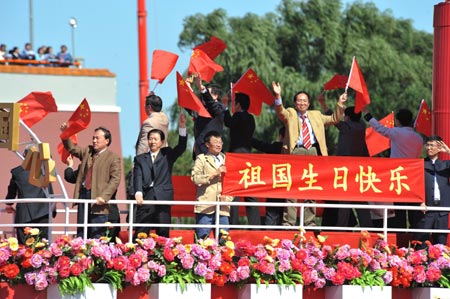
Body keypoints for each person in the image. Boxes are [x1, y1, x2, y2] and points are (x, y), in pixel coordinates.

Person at [272, 81, 346, 226]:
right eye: (299, 101)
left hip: (313, 152)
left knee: (311, 188)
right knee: (291, 187)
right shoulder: (291, 113)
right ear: (294, 103)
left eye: (304, 101)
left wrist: (340, 104)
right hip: (295, 151)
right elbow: (280, 112)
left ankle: (309, 222)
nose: (302, 103)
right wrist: (278, 95)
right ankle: (289, 223)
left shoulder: (316, 115)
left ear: (309, 103)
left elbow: (334, 119)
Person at [363, 108, 423, 228]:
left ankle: (400, 233)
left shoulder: (397, 133)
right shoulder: (418, 138)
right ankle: (414, 234)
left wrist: (368, 115)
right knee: (412, 208)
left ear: (398, 121)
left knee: (398, 207)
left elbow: (380, 128)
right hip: (412, 175)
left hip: (397, 175)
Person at [60, 124, 121, 239]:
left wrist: (104, 197)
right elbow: (72, 148)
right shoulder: (87, 152)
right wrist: (65, 134)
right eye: (93, 138)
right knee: (82, 231)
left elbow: (115, 179)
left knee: (97, 232)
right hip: (83, 195)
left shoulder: (113, 158)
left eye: (97, 138)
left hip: (99, 199)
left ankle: (95, 255)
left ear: (107, 141)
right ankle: (82, 255)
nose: (94, 140)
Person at [133, 113, 187, 238]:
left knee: (163, 231)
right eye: (150, 138)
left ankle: (162, 256)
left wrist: (182, 127)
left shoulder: (167, 154)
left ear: (162, 141)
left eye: (155, 139)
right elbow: (138, 177)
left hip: (163, 197)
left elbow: (181, 147)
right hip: (146, 197)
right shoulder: (140, 159)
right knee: (142, 231)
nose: (152, 141)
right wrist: (138, 192)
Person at [324, 106, 373, 228]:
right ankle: (367, 227)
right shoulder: (362, 126)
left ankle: (342, 227)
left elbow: (334, 119)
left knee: (344, 201)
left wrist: (323, 104)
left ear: (348, 117)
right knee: (361, 201)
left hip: (346, 169)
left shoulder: (346, 127)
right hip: (359, 168)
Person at [5, 146, 55, 244]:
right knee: (42, 248)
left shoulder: (17, 172)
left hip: (24, 216)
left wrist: (9, 204)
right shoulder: (45, 170)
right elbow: (50, 190)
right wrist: (53, 210)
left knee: (24, 250)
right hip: (43, 214)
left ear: (24, 155)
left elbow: (11, 193)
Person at [224, 92, 260, 227]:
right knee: (250, 192)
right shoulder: (251, 118)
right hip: (248, 157)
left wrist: (224, 106)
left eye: (235, 103)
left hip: (236, 157)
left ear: (238, 104)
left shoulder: (238, 116)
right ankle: (255, 226)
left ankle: (232, 225)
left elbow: (228, 122)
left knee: (234, 192)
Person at [64, 155, 121, 240]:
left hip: (107, 211)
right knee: (86, 239)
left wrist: (103, 197)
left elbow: (115, 182)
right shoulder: (86, 167)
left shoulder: (110, 164)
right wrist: (70, 165)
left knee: (106, 241)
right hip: (88, 213)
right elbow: (70, 177)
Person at [191, 130, 233, 240]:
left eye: (220, 142)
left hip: (223, 207)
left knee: (224, 241)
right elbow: (195, 178)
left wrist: (228, 198)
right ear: (207, 144)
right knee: (202, 241)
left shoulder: (228, 159)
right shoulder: (201, 159)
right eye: (215, 142)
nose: (219, 144)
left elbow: (233, 183)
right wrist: (214, 174)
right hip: (206, 206)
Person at [412, 136, 450, 248]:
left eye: (432, 145)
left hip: (442, 209)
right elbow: (414, 185)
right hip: (426, 208)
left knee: (441, 242)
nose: (428, 148)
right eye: (427, 145)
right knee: (421, 241)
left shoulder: (445, 165)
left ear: (439, 147)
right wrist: (420, 201)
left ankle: (440, 265)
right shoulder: (420, 164)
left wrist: (448, 151)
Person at [185, 74, 226, 160]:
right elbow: (190, 105)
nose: (203, 97)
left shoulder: (219, 108)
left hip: (212, 153)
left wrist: (201, 88)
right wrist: (187, 87)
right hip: (199, 153)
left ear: (215, 96)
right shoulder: (201, 110)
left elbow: (211, 105)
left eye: (208, 93)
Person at [251, 127, 286, 226]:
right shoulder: (297, 151)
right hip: (289, 188)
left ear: (280, 137)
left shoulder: (276, 147)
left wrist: (248, 138)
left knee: (271, 215)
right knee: (285, 216)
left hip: (274, 186)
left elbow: (262, 146)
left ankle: (268, 238)